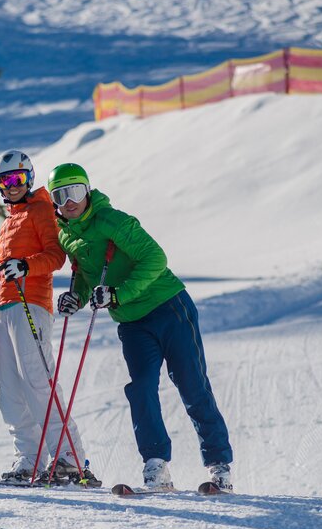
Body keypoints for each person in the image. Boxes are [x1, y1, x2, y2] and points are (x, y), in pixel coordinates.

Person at [48, 162, 234, 491]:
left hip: (169, 308)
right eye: (60, 196)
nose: (70, 201)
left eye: (75, 191)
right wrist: (76, 298)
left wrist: (118, 294)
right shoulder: (66, 235)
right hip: (131, 323)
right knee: (141, 389)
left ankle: (219, 466)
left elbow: (155, 258)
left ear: (87, 191)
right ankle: (156, 465)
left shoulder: (112, 221)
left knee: (192, 385)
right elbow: (88, 277)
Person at [0, 150, 99, 485]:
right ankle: (29, 458)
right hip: (1, 310)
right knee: (7, 390)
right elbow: (5, 271)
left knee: (37, 382)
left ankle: (69, 458)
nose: (12, 186)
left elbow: (56, 255)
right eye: (5, 181)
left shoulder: (42, 209)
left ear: (29, 177)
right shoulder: (8, 220)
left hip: (30, 304)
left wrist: (26, 266)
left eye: (18, 178)